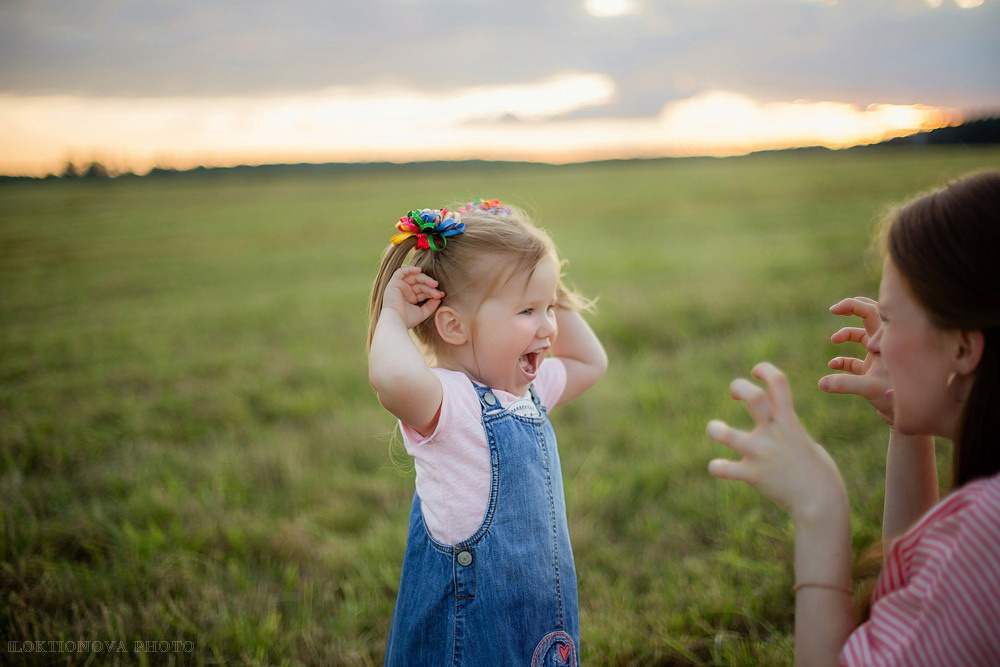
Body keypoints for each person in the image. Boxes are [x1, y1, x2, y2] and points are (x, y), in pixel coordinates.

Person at [706, 170, 1000, 665]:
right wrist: (906, 423)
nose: (875, 341)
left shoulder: (986, 533)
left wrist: (819, 510)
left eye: (889, 318)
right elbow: (916, 598)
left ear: (965, 347)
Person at [368, 199, 607, 665]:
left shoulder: (526, 392)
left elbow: (589, 363)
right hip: (470, 641)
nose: (548, 328)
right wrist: (393, 316)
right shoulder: (452, 403)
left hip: (538, 628)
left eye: (549, 307)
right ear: (454, 325)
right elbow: (392, 380)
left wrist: (546, 287)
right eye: (526, 312)